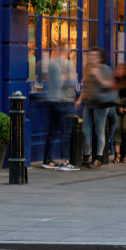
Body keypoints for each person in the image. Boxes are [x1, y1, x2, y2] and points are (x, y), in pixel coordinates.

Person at [41, 42, 79, 171]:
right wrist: (69, 77)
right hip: (64, 101)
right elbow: (67, 83)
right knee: (65, 133)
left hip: (51, 100)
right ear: (65, 49)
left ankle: (47, 160)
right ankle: (65, 161)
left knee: (51, 132)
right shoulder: (68, 64)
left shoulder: (51, 63)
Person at [76, 47, 116, 169]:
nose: (90, 58)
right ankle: (86, 156)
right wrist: (80, 99)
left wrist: (97, 75)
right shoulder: (89, 69)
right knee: (84, 131)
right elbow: (86, 86)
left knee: (99, 131)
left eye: (93, 56)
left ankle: (98, 158)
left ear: (99, 58)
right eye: (90, 56)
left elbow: (109, 85)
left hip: (101, 104)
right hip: (89, 103)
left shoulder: (106, 69)